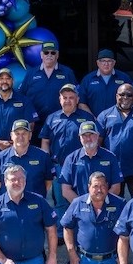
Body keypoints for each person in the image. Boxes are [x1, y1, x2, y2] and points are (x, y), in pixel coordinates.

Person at [40, 83, 99, 223]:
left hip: (82, 166)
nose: (67, 100)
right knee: (61, 203)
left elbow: (96, 140)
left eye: (71, 97)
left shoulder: (87, 118)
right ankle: (62, 231)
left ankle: (83, 228)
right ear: (60, 99)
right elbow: (45, 142)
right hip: (58, 167)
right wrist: (48, 164)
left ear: (77, 99)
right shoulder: (52, 118)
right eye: (64, 97)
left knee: (84, 200)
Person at [0, 165, 58, 264]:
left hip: (35, 262)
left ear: (25, 181)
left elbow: (51, 229)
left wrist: (52, 256)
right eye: (13, 179)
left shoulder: (39, 201)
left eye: (21, 179)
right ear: (5, 181)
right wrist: (3, 260)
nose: (17, 182)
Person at [0, 67, 38, 200]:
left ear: (12, 81)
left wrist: (17, 142)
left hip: (19, 151)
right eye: (1, 78)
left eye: (7, 78)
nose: (4, 81)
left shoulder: (24, 101)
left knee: (20, 185)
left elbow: (31, 124)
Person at [60, 172, 128, 264]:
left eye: (102, 186)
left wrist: (122, 258)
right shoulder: (77, 203)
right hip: (84, 261)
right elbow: (67, 227)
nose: (99, 190)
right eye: (95, 186)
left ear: (107, 186)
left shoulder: (120, 203)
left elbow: (126, 232)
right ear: (89, 187)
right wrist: (72, 253)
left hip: (111, 261)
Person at [17, 40, 76, 143]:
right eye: (46, 52)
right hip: (35, 124)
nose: (49, 55)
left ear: (57, 55)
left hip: (60, 123)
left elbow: (76, 96)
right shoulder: (31, 73)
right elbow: (21, 97)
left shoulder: (67, 73)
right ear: (41, 55)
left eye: (53, 53)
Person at [59, 121, 124, 203]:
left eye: (91, 134)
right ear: (80, 138)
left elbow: (116, 187)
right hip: (79, 207)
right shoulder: (71, 159)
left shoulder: (110, 157)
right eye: (84, 135)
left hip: (106, 205)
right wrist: (81, 205)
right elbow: (66, 190)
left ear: (97, 135)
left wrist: (102, 203)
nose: (88, 139)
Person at [0, 119, 54, 198]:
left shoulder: (43, 156)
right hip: (10, 204)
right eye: (17, 133)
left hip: (34, 203)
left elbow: (48, 181)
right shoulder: (0, 158)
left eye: (24, 133)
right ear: (11, 135)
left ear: (30, 135)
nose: (20, 137)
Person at [78, 49, 132, 116]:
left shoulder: (124, 78)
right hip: (94, 120)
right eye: (103, 61)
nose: (106, 64)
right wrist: (93, 118)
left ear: (114, 63)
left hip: (118, 120)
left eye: (109, 61)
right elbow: (81, 103)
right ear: (98, 63)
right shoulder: (88, 80)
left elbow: (131, 100)